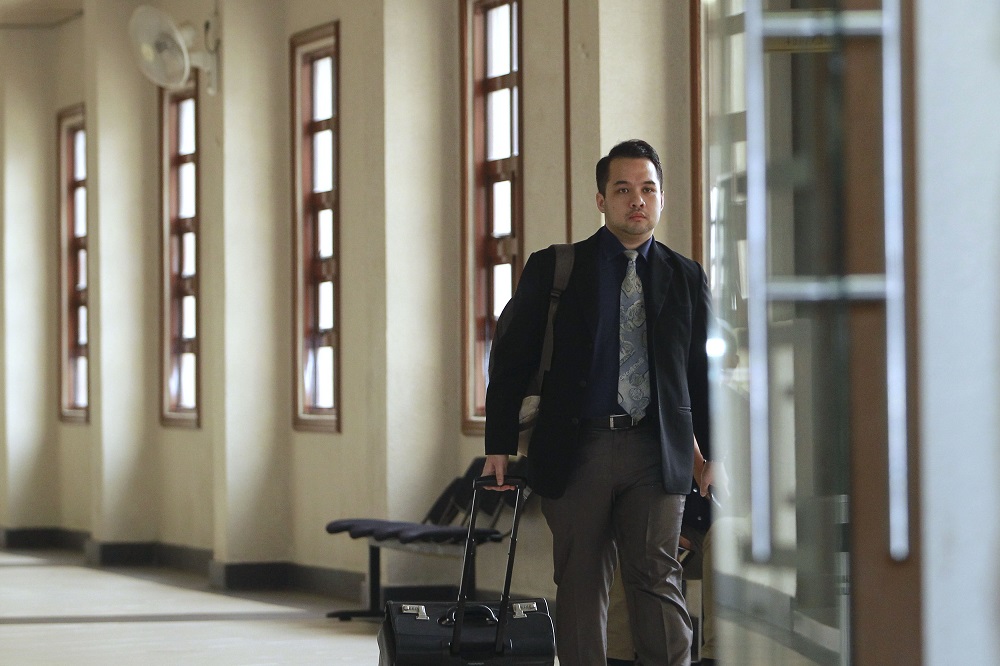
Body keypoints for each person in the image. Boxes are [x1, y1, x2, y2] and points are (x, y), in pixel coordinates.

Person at [483, 139, 715, 665]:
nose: (638, 200)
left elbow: (702, 374)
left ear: (662, 199)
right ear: (601, 200)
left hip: (656, 451)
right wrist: (498, 443)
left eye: (648, 190)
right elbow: (512, 359)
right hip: (576, 445)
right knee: (583, 581)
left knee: (657, 577)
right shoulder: (556, 269)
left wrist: (712, 455)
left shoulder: (686, 276)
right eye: (624, 189)